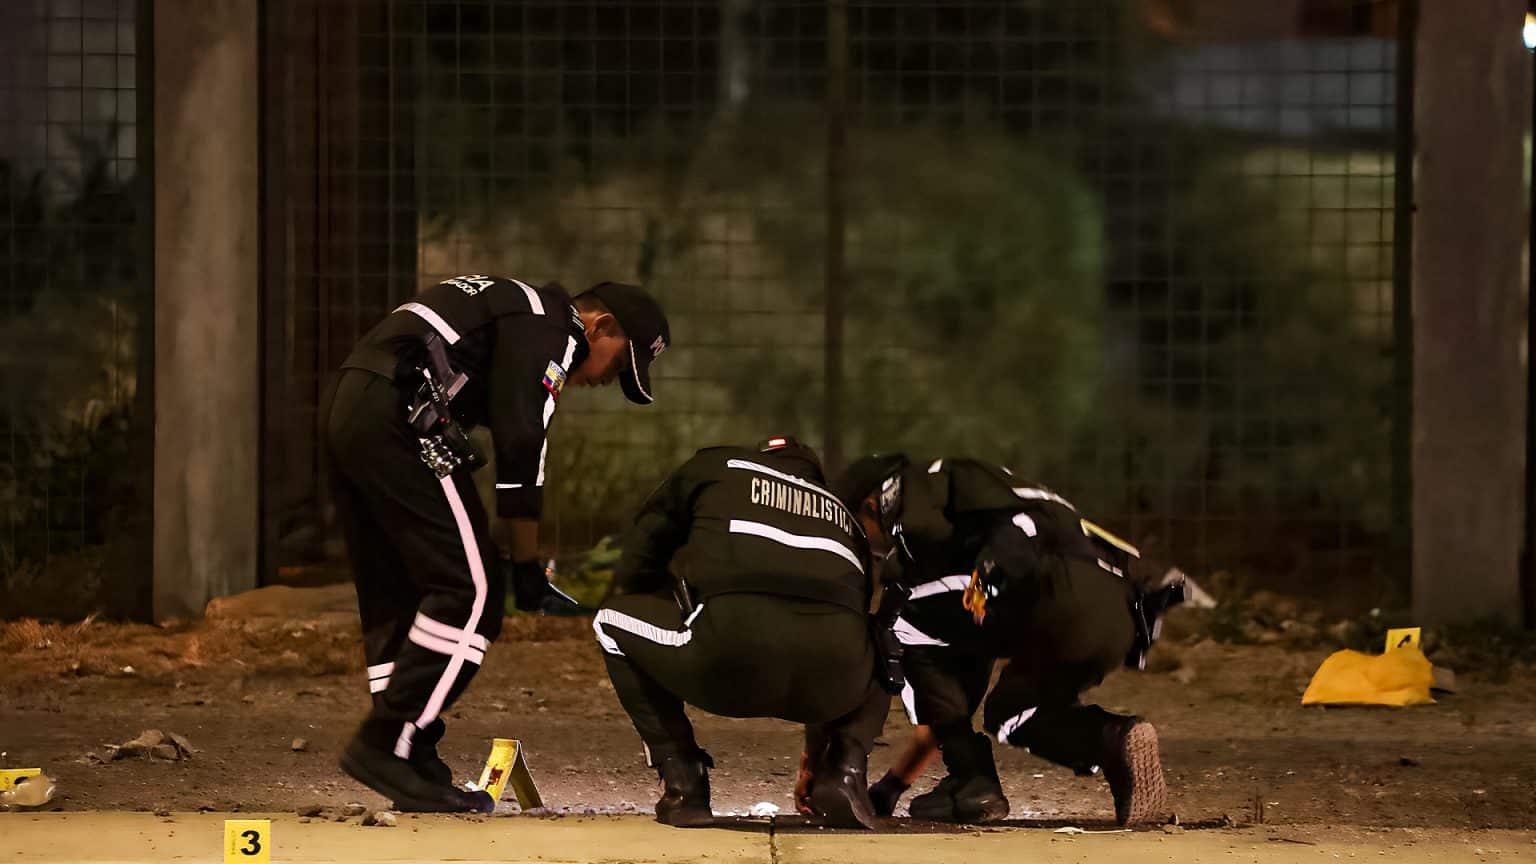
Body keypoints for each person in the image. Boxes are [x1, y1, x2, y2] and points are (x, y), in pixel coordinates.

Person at [324, 275, 669, 812]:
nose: (608, 382)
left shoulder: (521, 311)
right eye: (621, 364)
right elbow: (522, 442)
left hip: (353, 405)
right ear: (600, 325)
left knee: (400, 593)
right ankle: (385, 744)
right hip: (399, 414)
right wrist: (527, 568)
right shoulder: (553, 328)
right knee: (475, 592)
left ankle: (410, 757)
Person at [827, 455, 1183, 826]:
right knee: (1011, 713)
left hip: (1047, 589)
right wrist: (892, 787)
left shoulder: (921, 509)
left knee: (897, 622)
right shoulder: (977, 495)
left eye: (857, 530)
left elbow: (936, 691)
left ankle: (971, 780)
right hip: (1118, 610)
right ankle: (1119, 740)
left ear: (873, 504)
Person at [593, 437, 893, 829]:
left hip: (728, 661)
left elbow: (644, 545)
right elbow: (836, 624)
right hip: (834, 683)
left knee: (612, 622)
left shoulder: (720, 466)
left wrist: (667, 599)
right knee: (881, 642)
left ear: (760, 459)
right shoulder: (845, 518)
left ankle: (684, 780)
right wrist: (815, 759)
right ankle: (844, 771)